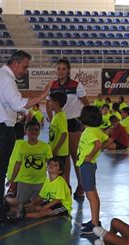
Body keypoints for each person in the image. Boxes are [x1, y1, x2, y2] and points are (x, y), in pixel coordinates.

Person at [0, 50, 50, 224]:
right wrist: (43, 94)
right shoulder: (8, 80)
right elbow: (19, 104)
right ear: (15, 64)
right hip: (2, 130)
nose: (25, 70)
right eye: (24, 66)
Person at [46, 59, 90, 199]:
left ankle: (81, 185)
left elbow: (86, 104)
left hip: (73, 123)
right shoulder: (52, 85)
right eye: (58, 68)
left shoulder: (76, 85)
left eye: (64, 69)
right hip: (59, 123)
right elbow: (47, 103)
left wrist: (84, 121)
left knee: (74, 156)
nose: (61, 71)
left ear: (68, 71)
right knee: (63, 158)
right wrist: (51, 118)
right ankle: (66, 185)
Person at [6, 121, 53, 222]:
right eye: (30, 129)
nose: (33, 132)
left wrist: (52, 180)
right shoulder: (22, 146)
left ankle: (12, 207)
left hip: (40, 182)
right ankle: (12, 206)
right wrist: (12, 180)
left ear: (39, 131)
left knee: (35, 205)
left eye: (36, 129)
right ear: (25, 131)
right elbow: (17, 164)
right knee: (21, 204)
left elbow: (50, 164)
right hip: (24, 182)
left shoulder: (45, 147)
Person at [78, 106, 112, 234]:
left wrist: (91, 155)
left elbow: (98, 144)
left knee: (90, 194)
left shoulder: (89, 132)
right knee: (93, 193)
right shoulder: (96, 130)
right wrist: (98, 151)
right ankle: (95, 220)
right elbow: (108, 140)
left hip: (87, 165)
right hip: (90, 165)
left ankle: (94, 224)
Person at [48, 92, 69, 183]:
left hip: (60, 152)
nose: (49, 103)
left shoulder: (61, 117)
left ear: (56, 103)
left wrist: (56, 149)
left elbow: (64, 134)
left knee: (59, 174)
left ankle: (62, 193)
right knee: (55, 174)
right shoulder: (56, 116)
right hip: (54, 150)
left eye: (51, 101)